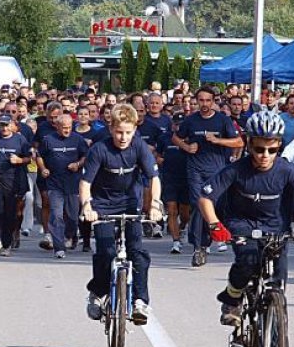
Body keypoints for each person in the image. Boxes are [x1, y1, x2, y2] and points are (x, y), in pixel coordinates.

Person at [197, 111, 294, 333]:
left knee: (279, 293)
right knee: (247, 261)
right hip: (242, 225)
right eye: (259, 149)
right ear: (248, 144)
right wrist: (215, 224)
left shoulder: (289, 171)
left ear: (279, 146)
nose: (265, 155)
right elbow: (206, 198)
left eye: (272, 150)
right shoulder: (235, 170)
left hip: (276, 228)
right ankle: (232, 299)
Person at [82, 104, 163, 325]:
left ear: (135, 130)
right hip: (103, 206)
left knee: (137, 251)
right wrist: (87, 207)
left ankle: (140, 301)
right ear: (111, 129)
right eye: (119, 132)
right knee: (106, 252)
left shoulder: (139, 147)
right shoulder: (99, 150)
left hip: (130, 205)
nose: (123, 137)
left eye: (128, 132)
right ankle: (97, 293)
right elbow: (85, 182)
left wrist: (155, 205)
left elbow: (153, 178)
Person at [174, 86, 242, 267]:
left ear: (213, 102)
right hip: (195, 170)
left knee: (214, 208)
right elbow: (176, 137)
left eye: (207, 100)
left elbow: (239, 141)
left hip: (217, 172)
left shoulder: (223, 120)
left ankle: (209, 239)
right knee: (198, 206)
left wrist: (218, 140)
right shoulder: (190, 121)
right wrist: (186, 147)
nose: (204, 104)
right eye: (201, 100)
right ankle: (198, 248)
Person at [36, 114, 88, 258]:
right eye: (64, 128)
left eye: (69, 127)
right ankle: (59, 247)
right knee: (56, 214)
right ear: (57, 127)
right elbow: (39, 155)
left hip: (73, 183)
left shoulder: (78, 139)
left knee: (72, 217)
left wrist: (77, 164)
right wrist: (43, 168)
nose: (67, 130)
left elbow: (85, 156)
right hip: (54, 183)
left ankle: (70, 235)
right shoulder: (48, 140)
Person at [0, 114, 31, 256]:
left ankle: (7, 244)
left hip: (13, 180)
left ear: (12, 125)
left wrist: (20, 160)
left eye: (6, 125)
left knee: (10, 213)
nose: (4, 128)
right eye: (1, 125)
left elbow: (29, 158)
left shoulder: (20, 139)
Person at [158, 112, 191, 254]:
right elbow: (157, 155)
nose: (178, 127)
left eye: (181, 124)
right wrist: (161, 161)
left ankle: (182, 226)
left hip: (186, 178)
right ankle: (176, 242)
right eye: (176, 124)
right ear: (172, 125)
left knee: (185, 214)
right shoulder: (164, 138)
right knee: (171, 210)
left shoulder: (190, 139)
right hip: (169, 178)